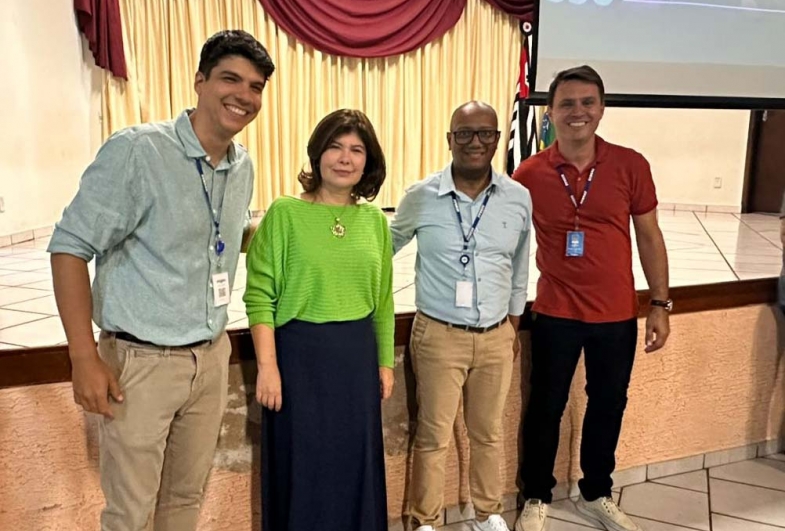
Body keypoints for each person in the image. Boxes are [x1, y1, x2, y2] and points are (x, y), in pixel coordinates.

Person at [47, 30, 275, 531]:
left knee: (184, 501)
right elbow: (68, 247)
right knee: (130, 513)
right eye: (230, 79)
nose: (243, 95)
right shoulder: (138, 152)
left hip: (209, 357)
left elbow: (217, 237)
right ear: (199, 81)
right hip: (140, 364)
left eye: (256, 86)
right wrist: (83, 356)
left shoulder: (242, 168)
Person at [512, 65, 670, 531]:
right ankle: (536, 495)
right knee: (546, 404)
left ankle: (596, 491)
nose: (577, 112)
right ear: (550, 111)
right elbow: (511, 243)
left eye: (587, 102)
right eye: (567, 103)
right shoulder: (530, 173)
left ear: (601, 109)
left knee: (608, 402)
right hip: (556, 311)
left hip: (616, 314)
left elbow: (649, 237)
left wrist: (659, 303)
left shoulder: (630, 164)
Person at [244, 108, 395, 531]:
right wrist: (268, 367)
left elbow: (382, 300)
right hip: (298, 360)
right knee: (302, 464)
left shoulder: (375, 222)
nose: (345, 158)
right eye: (335, 147)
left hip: (355, 359)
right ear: (317, 154)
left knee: (354, 463)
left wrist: (385, 363)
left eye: (356, 150)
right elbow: (259, 295)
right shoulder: (284, 214)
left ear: (368, 161)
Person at [391, 101, 532, 531]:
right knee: (433, 438)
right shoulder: (422, 197)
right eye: (465, 133)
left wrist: (511, 328)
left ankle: (487, 515)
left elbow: (520, 268)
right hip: (438, 335)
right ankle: (425, 520)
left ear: (497, 139)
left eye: (486, 133)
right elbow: (381, 249)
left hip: (494, 336)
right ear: (449, 139)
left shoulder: (517, 198)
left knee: (488, 434)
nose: (476, 142)